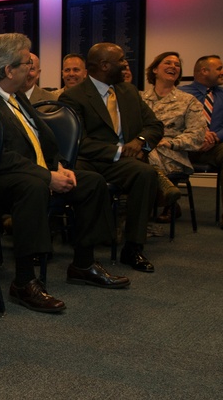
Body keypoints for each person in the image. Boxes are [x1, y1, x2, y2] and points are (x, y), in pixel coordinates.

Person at [0, 34, 128, 312]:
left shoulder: (14, 93)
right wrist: (47, 178)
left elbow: (41, 138)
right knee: (31, 187)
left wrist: (58, 166)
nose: (31, 70)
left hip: (33, 169)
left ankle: (83, 263)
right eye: (26, 64)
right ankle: (23, 281)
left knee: (91, 181)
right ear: (8, 70)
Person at [59, 43, 164, 272]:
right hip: (91, 160)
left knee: (145, 174)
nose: (126, 64)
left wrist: (140, 142)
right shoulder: (74, 97)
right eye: (121, 60)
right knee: (90, 181)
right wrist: (119, 151)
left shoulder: (128, 92)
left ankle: (133, 248)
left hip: (124, 161)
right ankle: (88, 256)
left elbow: (154, 125)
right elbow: (79, 142)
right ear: (105, 65)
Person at [180, 55, 223, 230]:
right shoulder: (181, 94)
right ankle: (167, 205)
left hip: (215, 147)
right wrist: (196, 136)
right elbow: (172, 122)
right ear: (204, 71)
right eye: (219, 68)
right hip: (185, 147)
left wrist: (215, 137)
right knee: (162, 150)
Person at [140, 52, 206, 221]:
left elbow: (197, 135)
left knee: (143, 158)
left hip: (173, 154)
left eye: (177, 65)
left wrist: (171, 143)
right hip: (144, 147)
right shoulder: (140, 98)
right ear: (155, 69)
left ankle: (138, 216)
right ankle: (164, 191)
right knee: (144, 153)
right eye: (168, 63)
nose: (173, 67)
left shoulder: (188, 101)